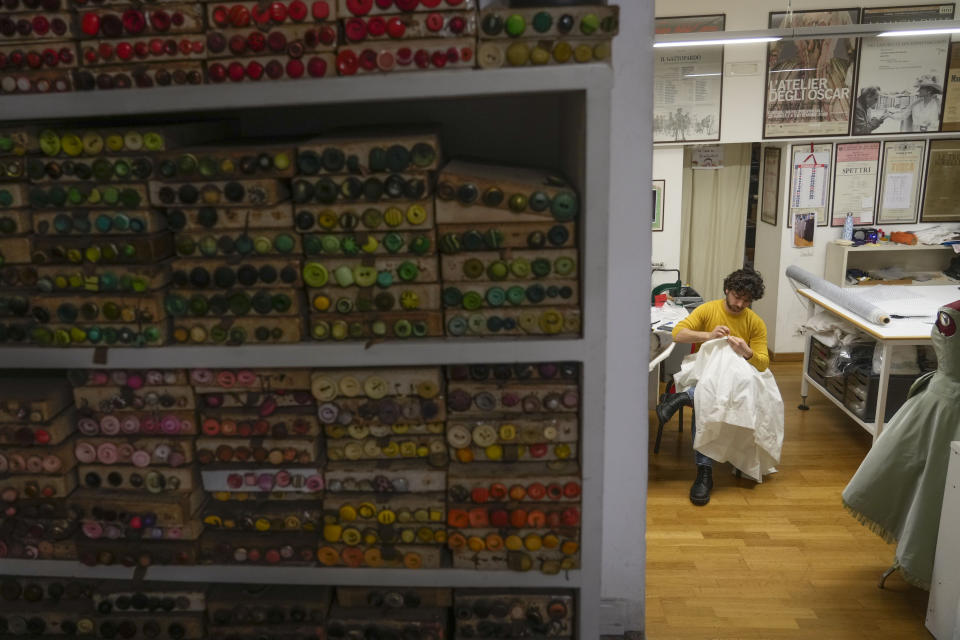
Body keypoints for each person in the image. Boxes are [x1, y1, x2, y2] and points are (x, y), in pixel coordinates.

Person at [656, 268, 770, 506]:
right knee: (707, 396)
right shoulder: (708, 309)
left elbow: (762, 363)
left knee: (705, 398)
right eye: (737, 297)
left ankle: (684, 398)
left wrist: (746, 351)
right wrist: (708, 335)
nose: (740, 304)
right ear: (727, 290)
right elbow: (678, 333)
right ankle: (704, 472)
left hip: (737, 380)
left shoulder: (755, 322)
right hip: (705, 372)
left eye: (746, 300)